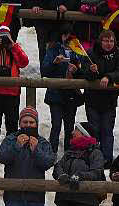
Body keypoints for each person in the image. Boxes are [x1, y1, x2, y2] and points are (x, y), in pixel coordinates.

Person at [0, 25, 29, 159]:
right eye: (0, 37)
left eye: (5, 37)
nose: (3, 40)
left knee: (12, 124)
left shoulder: (14, 48)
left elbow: (24, 62)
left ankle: (10, 153)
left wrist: (12, 46)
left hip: (11, 92)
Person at [80, 28, 119, 162]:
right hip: (92, 99)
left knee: (107, 130)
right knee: (94, 130)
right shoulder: (90, 53)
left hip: (110, 100)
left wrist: (108, 77)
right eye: (106, 41)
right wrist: (91, 70)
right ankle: (95, 158)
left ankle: (107, 159)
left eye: (111, 41)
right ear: (101, 41)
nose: (109, 43)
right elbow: (85, 74)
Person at [41, 24, 84, 154]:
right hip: (56, 94)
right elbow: (44, 70)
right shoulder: (53, 49)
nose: (67, 38)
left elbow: (85, 73)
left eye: (70, 36)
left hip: (72, 94)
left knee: (70, 127)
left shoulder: (79, 52)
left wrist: (76, 71)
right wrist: (55, 63)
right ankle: (52, 153)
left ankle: (68, 154)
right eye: (65, 35)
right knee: (56, 126)